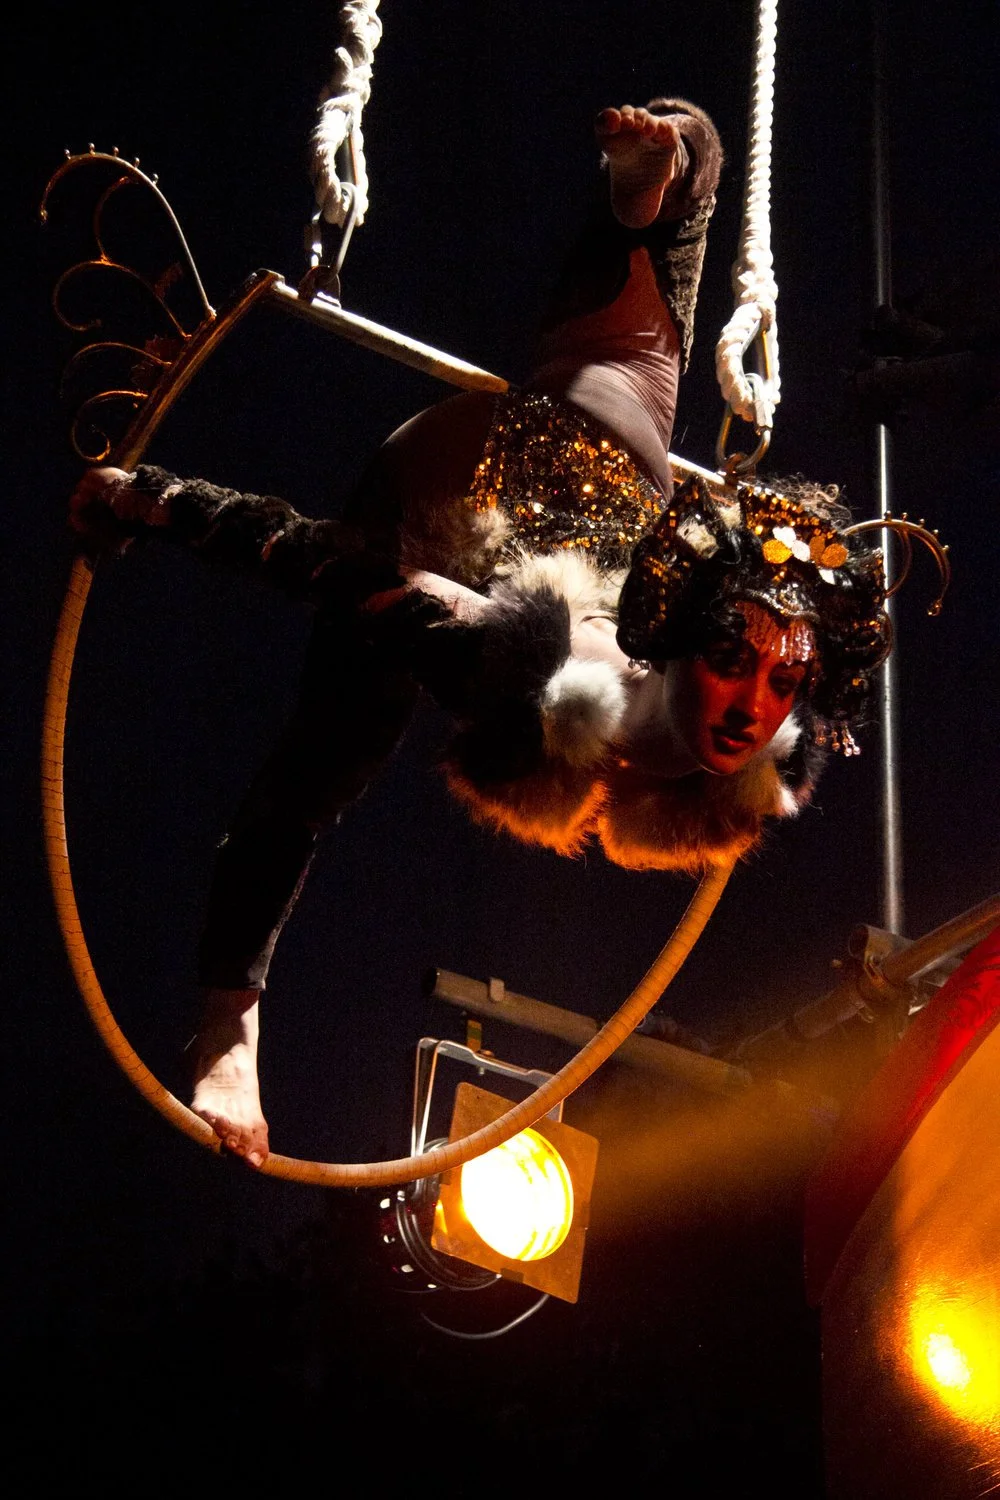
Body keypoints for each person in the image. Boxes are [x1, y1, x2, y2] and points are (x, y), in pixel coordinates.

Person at [71, 103, 890, 1167]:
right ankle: (232, 1018)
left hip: (599, 503)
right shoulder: (535, 671)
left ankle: (661, 170)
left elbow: (759, 673)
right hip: (443, 500)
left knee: (632, 366)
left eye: (783, 683)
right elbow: (327, 559)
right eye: (733, 659)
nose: (751, 702)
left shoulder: (762, 737)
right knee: (330, 752)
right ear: (686, 638)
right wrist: (160, 500)